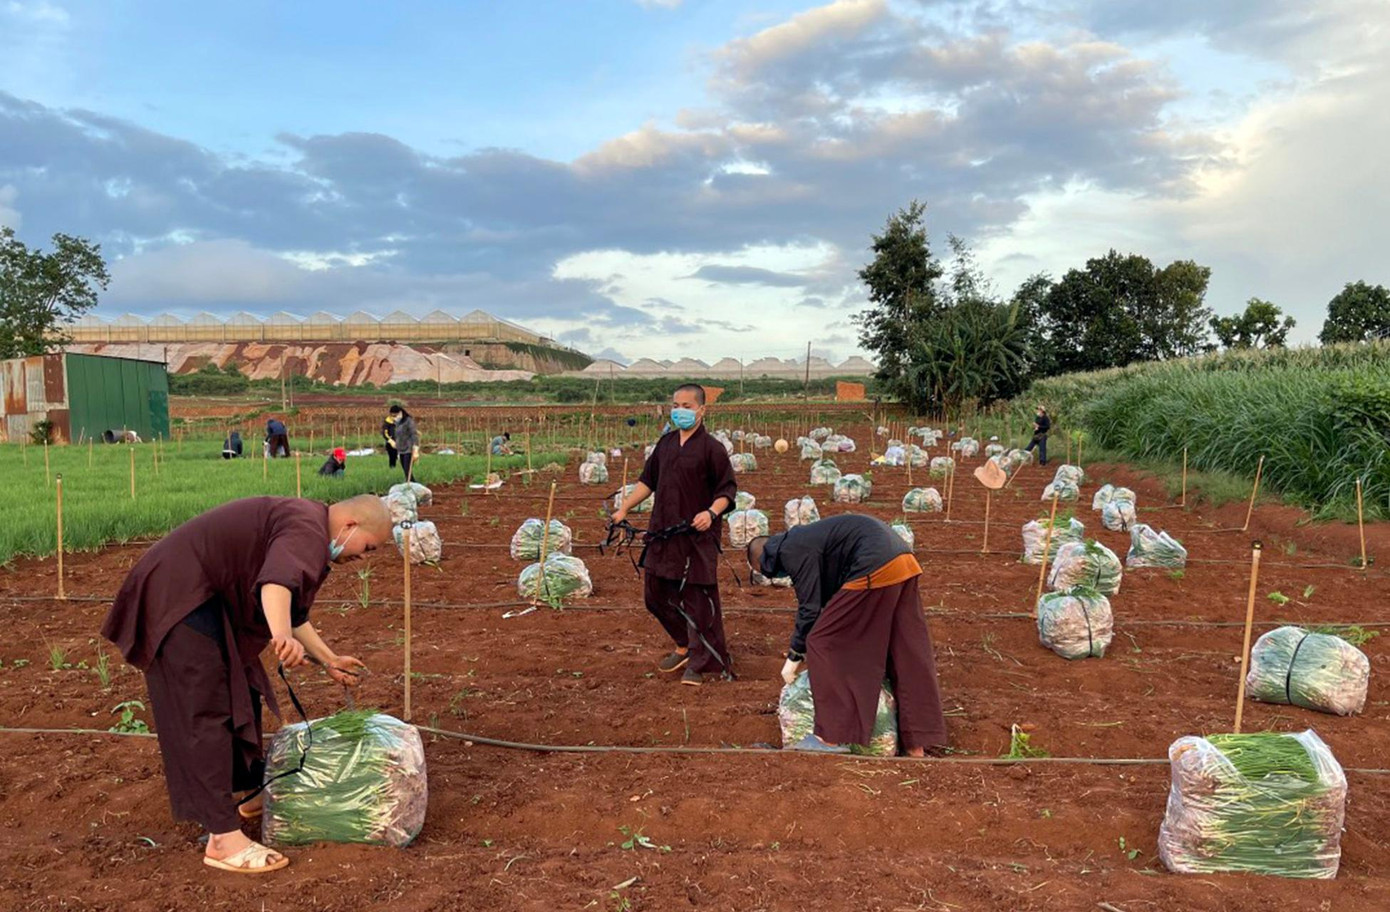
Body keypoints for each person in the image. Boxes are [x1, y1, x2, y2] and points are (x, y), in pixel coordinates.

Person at [100, 494, 393, 874]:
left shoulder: (308, 527)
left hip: (203, 598)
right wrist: (281, 637)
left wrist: (329, 659)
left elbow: (290, 606)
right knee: (204, 707)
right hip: (179, 594)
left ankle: (253, 792)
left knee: (244, 687)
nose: (364, 557)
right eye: (368, 547)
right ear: (350, 526)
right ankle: (222, 839)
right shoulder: (308, 528)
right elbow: (276, 585)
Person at [746, 514, 948, 755]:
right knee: (904, 649)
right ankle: (917, 745)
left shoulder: (792, 549)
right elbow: (828, 600)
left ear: (764, 559)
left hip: (874, 560)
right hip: (902, 558)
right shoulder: (808, 539)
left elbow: (810, 609)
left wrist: (794, 655)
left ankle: (828, 738)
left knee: (824, 641)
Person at [611, 383, 738, 686]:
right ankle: (685, 643)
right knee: (655, 595)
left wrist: (710, 513)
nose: (680, 411)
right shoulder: (665, 444)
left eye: (687, 406)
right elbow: (648, 482)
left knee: (698, 598)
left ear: (702, 410)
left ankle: (702, 660)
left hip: (696, 536)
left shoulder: (712, 449)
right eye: (676, 405)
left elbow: (727, 491)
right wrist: (624, 507)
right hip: (662, 533)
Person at [389, 404, 419, 480]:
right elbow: (397, 436)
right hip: (401, 450)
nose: (394, 417)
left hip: (408, 449)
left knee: (407, 470)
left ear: (400, 413)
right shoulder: (397, 423)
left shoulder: (408, 421)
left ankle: (412, 485)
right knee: (405, 471)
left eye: (395, 415)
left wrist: (415, 449)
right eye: (392, 416)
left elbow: (414, 434)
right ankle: (411, 484)